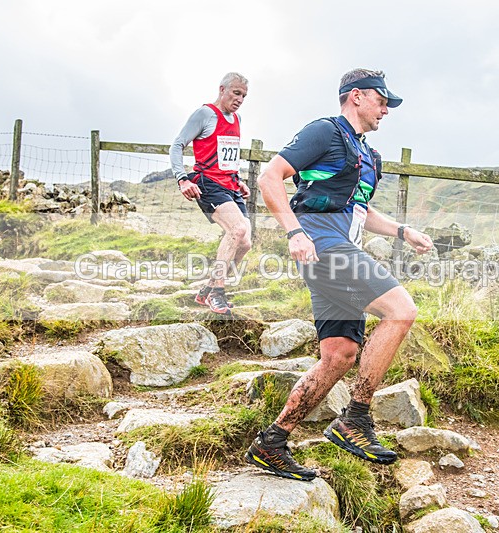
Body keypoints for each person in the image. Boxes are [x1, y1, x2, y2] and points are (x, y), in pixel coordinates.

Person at [246, 69, 434, 481]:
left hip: (338, 247)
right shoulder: (325, 131)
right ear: (357, 96)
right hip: (322, 244)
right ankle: (356, 418)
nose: (386, 110)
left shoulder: (369, 155)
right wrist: (294, 232)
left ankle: (271, 443)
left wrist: (402, 231)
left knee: (339, 357)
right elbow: (269, 177)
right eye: (382, 100)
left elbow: (359, 211)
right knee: (401, 310)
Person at [170, 72, 252, 315]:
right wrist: (182, 179)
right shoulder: (205, 114)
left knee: (245, 243)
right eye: (236, 93)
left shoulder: (236, 119)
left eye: (244, 96)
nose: (240, 99)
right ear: (222, 89)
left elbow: (227, 155)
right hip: (208, 183)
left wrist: (239, 179)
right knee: (236, 230)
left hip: (231, 185)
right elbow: (177, 145)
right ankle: (217, 292)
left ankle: (207, 289)